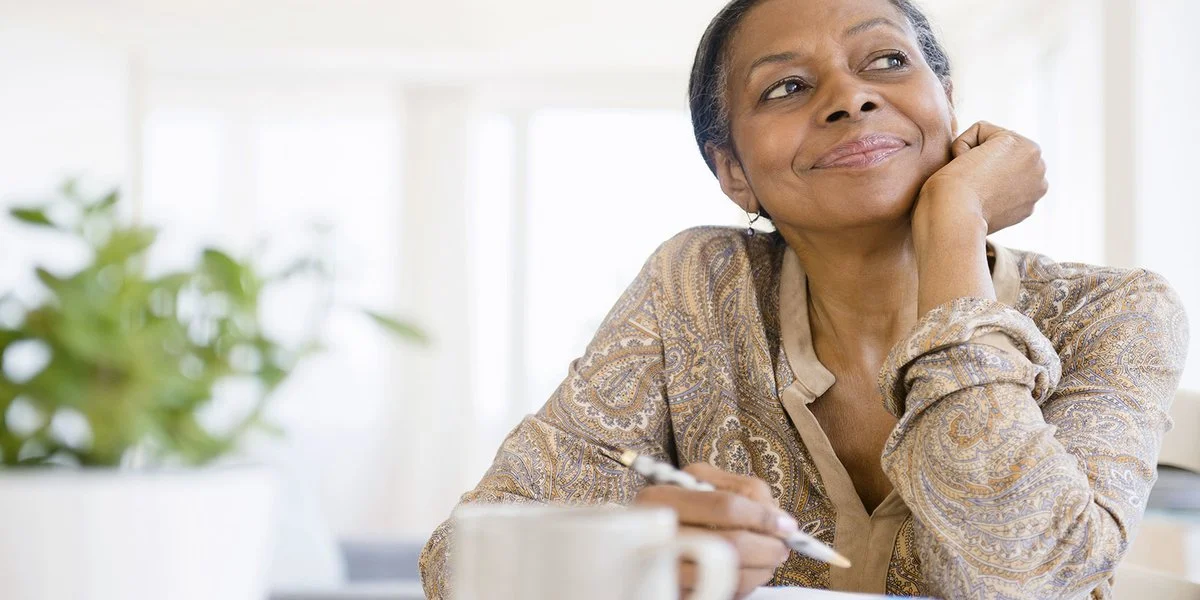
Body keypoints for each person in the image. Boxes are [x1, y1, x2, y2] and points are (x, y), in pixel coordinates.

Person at [419, 0, 1191, 597]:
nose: (850, 98)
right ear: (733, 174)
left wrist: (956, 224)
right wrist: (633, 553)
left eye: (886, 60)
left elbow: (1037, 577)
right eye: (787, 86)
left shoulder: (1111, 310)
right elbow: (463, 563)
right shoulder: (695, 285)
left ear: (948, 105)